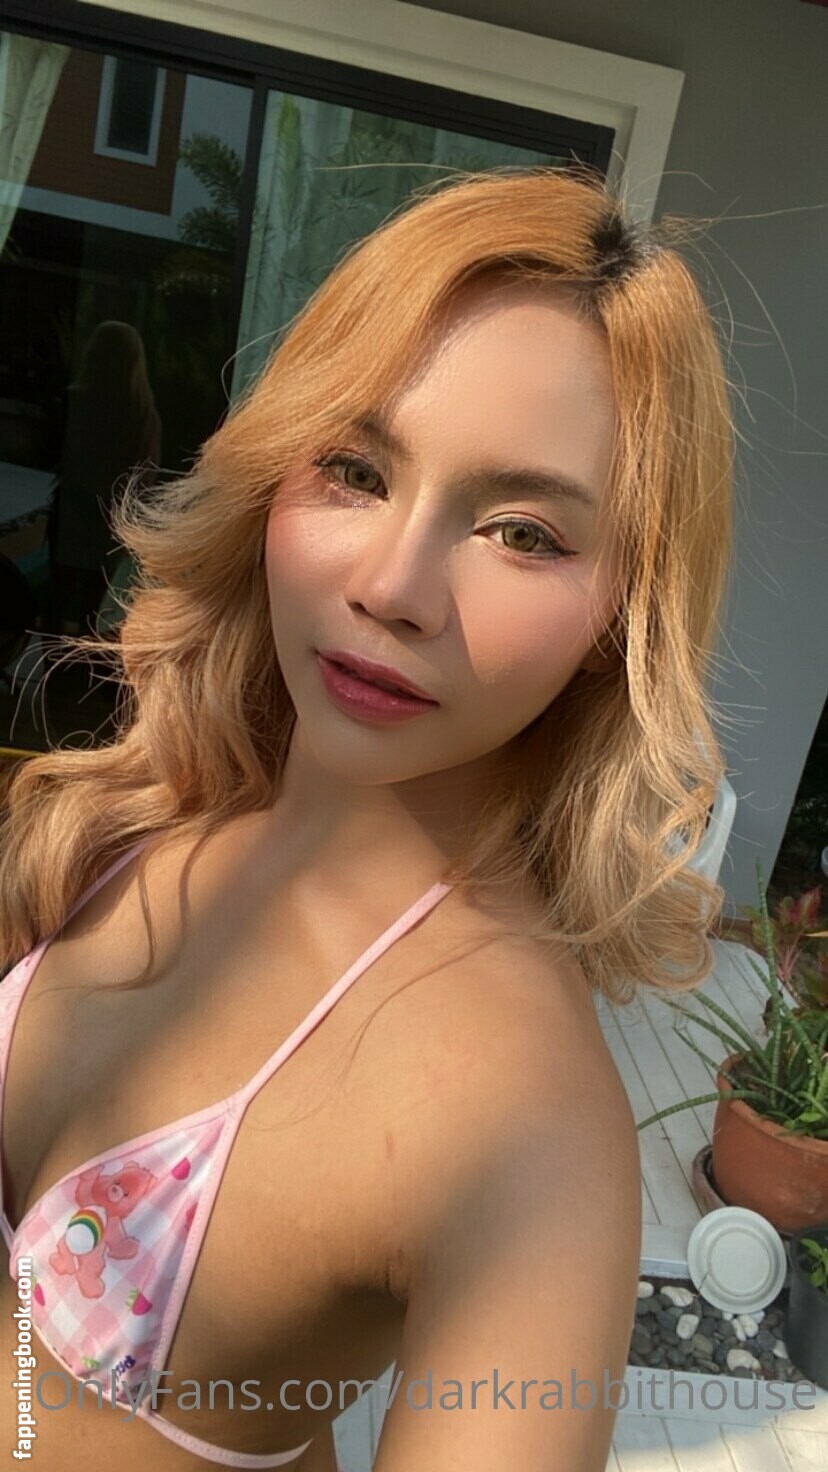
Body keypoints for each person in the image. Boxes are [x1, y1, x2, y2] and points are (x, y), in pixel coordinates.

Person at [0, 167, 733, 1472]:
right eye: (354, 468)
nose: (395, 585)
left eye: (522, 532)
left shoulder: (527, 1136)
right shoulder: (130, 811)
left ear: (621, 614)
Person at [45, 320, 161, 634]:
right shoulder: (142, 415)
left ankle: (52, 655)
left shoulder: (75, 403)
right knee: (95, 602)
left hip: (73, 511)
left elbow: (49, 452)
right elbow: (145, 478)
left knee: (59, 593)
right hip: (109, 518)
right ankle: (78, 657)